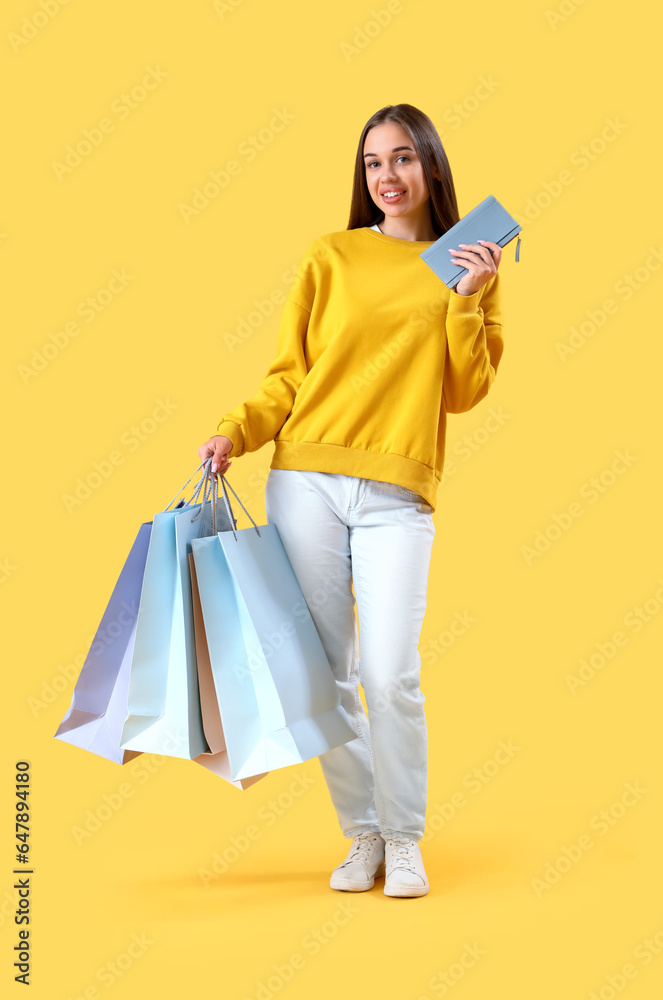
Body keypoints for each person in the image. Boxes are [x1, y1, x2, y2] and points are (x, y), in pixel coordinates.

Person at [197, 103, 505, 898]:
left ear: (431, 167)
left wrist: (469, 296)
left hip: (399, 490)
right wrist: (238, 431)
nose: (387, 176)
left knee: (391, 670)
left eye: (402, 159)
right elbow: (289, 375)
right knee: (328, 671)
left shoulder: (470, 259)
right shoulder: (330, 256)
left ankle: (406, 838)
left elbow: (466, 390)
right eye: (373, 163)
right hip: (306, 478)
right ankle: (364, 834)